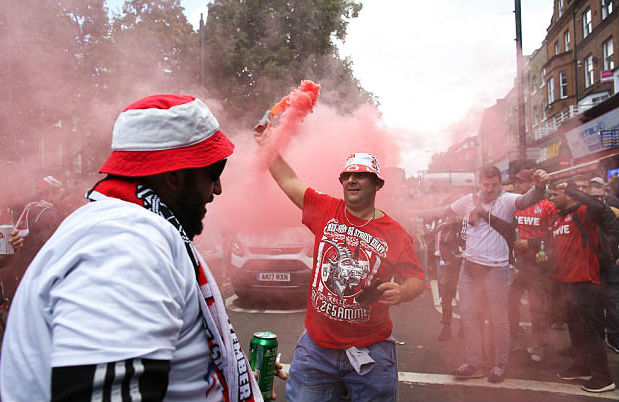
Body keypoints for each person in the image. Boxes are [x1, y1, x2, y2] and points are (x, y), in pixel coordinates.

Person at [0, 94, 266, 402]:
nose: (217, 189)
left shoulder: (139, 230)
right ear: (174, 176)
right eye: (214, 172)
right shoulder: (123, 243)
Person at [256, 126, 424, 401]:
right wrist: (268, 147)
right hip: (317, 350)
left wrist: (403, 292)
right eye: (347, 175)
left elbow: (416, 279)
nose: (352, 180)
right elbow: (289, 180)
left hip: (371, 350)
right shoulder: (325, 209)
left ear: (378, 184)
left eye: (361, 175)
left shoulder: (393, 232)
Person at [416, 165, 548, 382]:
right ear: (479, 183)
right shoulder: (468, 200)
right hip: (470, 268)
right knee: (469, 316)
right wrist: (411, 213)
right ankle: (473, 363)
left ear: (499, 183)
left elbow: (527, 201)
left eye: (494, 185)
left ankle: (500, 365)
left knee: (498, 318)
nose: (489, 189)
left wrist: (540, 186)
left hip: (497, 269)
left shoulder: (507, 200)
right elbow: (443, 212)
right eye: (485, 185)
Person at [549, 180, 616, 393]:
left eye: (554, 194)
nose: (551, 199)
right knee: (576, 329)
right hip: (566, 282)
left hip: (585, 281)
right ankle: (582, 366)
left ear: (567, 194)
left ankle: (603, 377)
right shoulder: (559, 218)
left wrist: (571, 189)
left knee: (589, 331)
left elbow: (603, 211)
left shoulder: (585, 212)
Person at [507, 169, 556, 362]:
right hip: (516, 262)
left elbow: (555, 234)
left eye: (521, 182)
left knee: (538, 306)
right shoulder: (513, 205)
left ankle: (539, 343)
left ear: (532, 183)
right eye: (517, 182)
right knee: (510, 303)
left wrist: (531, 243)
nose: (518, 185)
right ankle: (511, 337)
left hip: (538, 264)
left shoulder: (547, 206)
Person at [434, 216, 464, 341]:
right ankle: (446, 327)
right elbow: (443, 243)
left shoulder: (471, 221)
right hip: (450, 264)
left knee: (466, 295)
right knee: (446, 295)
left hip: (466, 263)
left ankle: (463, 326)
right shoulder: (447, 225)